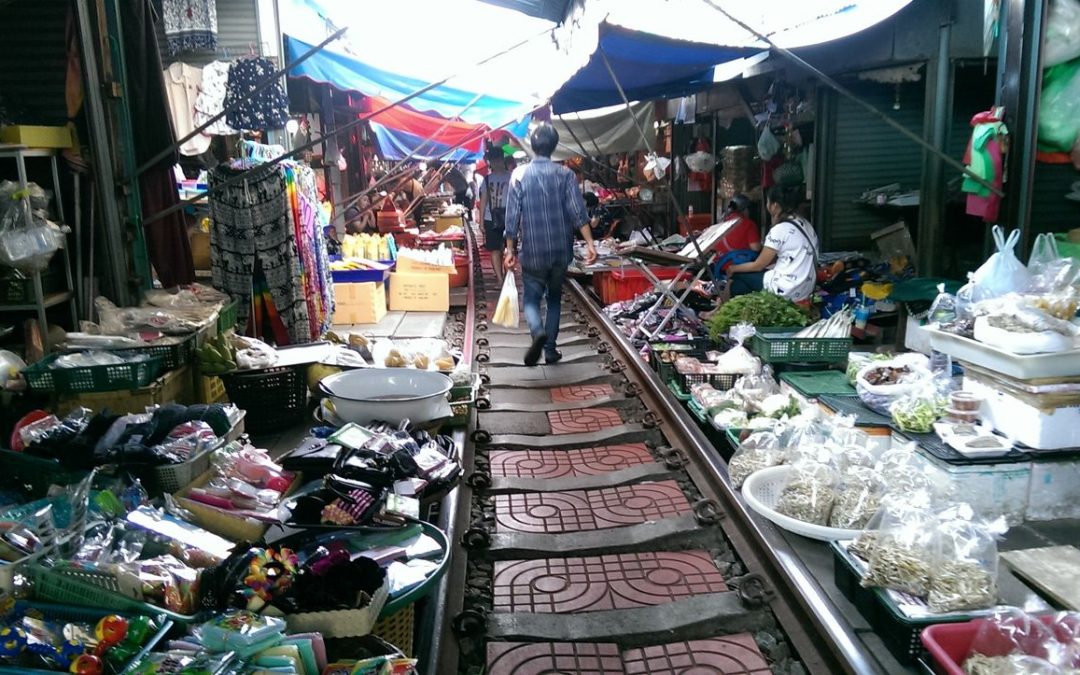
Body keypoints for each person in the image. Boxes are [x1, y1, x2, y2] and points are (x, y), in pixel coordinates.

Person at [504, 123, 598, 366]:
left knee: (531, 300)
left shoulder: (519, 175)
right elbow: (578, 213)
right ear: (554, 146)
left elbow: (512, 217)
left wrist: (510, 249)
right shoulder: (565, 174)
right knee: (554, 298)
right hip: (559, 251)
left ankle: (537, 332)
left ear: (533, 147)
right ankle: (551, 350)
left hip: (533, 252)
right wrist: (590, 244)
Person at [723, 184, 818, 302]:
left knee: (736, 277)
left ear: (775, 206)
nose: (767, 205)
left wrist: (733, 268)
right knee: (742, 282)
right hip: (807, 288)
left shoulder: (780, 229)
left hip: (787, 289)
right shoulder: (806, 224)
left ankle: (717, 311)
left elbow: (758, 265)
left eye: (768, 202)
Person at [478, 151, 512, 285]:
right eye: (494, 160)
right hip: (490, 218)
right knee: (494, 249)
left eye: (498, 159)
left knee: (509, 248)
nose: (496, 162)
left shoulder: (512, 177)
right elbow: (483, 201)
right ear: (490, 162)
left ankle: (507, 274)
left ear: (502, 159)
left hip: (509, 217)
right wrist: (481, 221)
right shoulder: (487, 179)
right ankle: (499, 278)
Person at [713, 194, 762, 264]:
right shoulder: (748, 224)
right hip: (738, 268)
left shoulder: (721, 222)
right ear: (746, 209)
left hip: (719, 267)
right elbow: (756, 248)